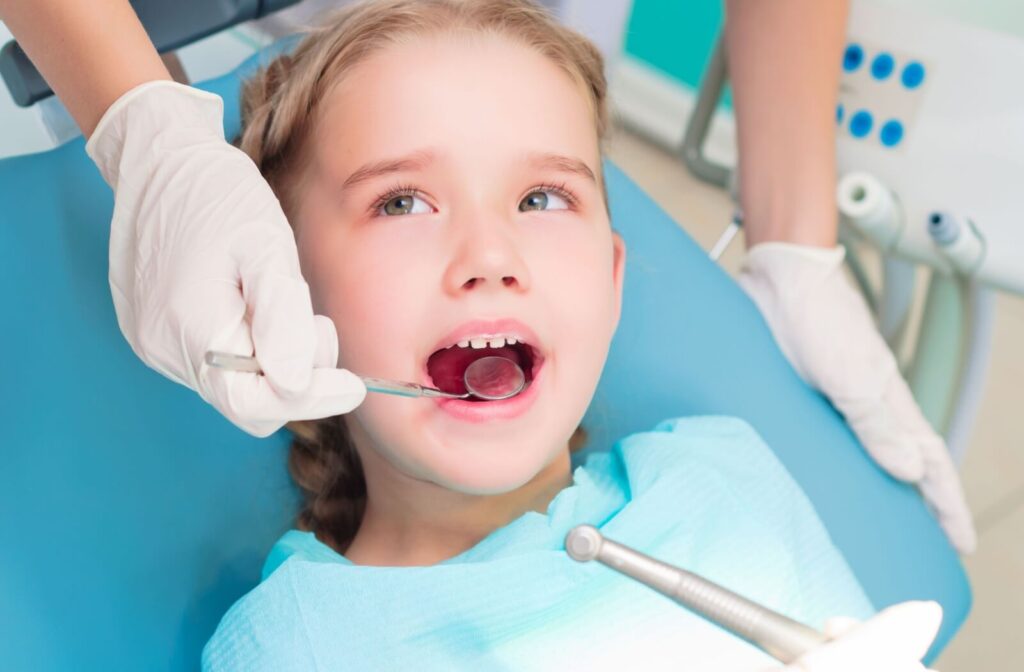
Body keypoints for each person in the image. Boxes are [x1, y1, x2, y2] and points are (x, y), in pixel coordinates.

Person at [173, 1, 940, 668]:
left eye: (542, 197)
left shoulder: (717, 482)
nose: (491, 257)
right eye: (403, 203)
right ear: (285, 297)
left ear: (611, 282)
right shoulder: (296, 646)